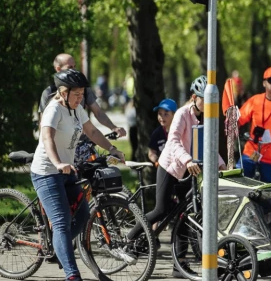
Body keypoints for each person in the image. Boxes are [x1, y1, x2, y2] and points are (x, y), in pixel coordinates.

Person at [32, 69, 125, 281]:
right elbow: (47, 138)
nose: (80, 98)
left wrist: (111, 149)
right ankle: (72, 275)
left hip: (67, 171)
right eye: (76, 94)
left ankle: (58, 245)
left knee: (83, 215)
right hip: (47, 172)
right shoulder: (53, 110)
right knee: (62, 221)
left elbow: (92, 131)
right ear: (63, 92)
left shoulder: (76, 109)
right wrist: (57, 162)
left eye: (82, 93)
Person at [127, 76, 223, 274]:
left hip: (189, 171)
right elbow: (174, 141)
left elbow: (209, 145)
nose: (208, 104)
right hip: (170, 167)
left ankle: (179, 265)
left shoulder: (206, 117)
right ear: (194, 97)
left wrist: (222, 166)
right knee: (161, 210)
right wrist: (187, 160)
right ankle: (129, 239)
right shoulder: (181, 114)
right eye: (204, 99)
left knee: (185, 216)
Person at [38, 54, 127, 161]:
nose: (74, 70)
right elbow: (43, 125)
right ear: (58, 69)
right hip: (60, 147)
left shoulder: (82, 90)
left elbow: (97, 113)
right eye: (70, 67)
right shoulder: (49, 94)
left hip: (83, 142)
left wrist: (113, 128)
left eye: (74, 66)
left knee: (100, 170)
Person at [148, 98, 177, 164]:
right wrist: (156, 160)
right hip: (163, 167)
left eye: (166, 114)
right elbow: (151, 152)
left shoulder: (180, 130)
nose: (162, 117)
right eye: (159, 114)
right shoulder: (157, 133)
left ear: (174, 115)